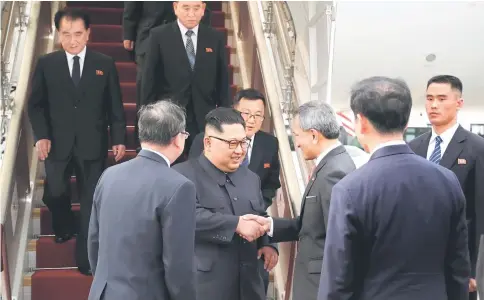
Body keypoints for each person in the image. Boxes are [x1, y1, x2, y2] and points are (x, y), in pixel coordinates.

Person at [318, 76, 470, 300]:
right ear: (405, 121)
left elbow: (338, 278)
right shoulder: (447, 180)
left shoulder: (351, 189)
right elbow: (458, 268)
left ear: (362, 122)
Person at [27, 8, 126, 275]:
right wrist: (42, 135)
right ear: (59, 34)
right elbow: (35, 106)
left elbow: (115, 105)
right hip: (57, 144)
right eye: (66, 34)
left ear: (88, 34)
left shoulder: (103, 63)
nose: (72, 40)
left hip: (92, 144)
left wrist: (118, 138)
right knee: (55, 191)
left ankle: (86, 258)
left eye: (78, 34)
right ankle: (62, 225)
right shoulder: (47, 63)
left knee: (90, 201)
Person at [245, 101, 356, 300]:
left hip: (322, 286)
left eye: (296, 135)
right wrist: (269, 225)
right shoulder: (330, 165)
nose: (296, 143)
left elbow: (342, 239)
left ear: (313, 135)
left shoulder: (334, 171)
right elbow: (312, 225)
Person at [88, 100, 196, 300]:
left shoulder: (109, 175)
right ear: (177, 139)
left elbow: (94, 242)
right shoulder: (179, 186)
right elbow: (177, 265)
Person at [173, 107, 278, 300]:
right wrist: (236, 225)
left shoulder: (251, 179)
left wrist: (267, 243)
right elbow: (187, 217)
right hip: (208, 285)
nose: (240, 150)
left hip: (249, 284)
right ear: (208, 142)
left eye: (243, 142)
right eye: (232, 143)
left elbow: (260, 214)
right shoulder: (182, 176)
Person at [408, 75, 484, 300]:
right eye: (429, 98)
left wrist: (475, 270)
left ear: (459, 103)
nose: (434, 105)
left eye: (442, 99)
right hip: (414, 260)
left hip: (458, 261)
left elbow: (481, 213)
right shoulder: (413, 146)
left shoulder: (477, 148)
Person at [142, 1, 230, 161]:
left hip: (204, 117)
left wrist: (225, 119)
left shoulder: (214, 37)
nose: (191, 13)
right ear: (175, 8)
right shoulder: (159, 36)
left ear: (203, 9)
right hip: (169, 117)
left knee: (202, 169)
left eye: (196, 8)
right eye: (186, 8)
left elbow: (223, 82)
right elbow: (149, 81)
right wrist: (146, 118)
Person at [122, 1, 211, 147]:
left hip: (183, 34)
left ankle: (184, 139)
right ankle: (146, 138)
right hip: (149, 33)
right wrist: (128, 30)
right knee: (147, 88)